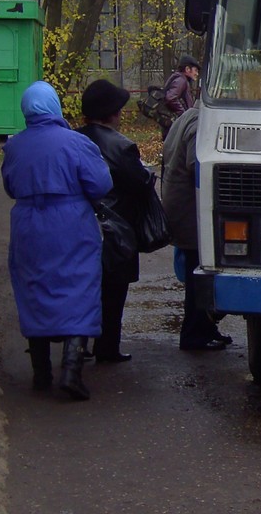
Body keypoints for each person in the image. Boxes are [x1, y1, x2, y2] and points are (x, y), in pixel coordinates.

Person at [1, 81, 113, 400]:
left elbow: (10, 186)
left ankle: (40, 374)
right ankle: (71, 371)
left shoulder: (14, 146)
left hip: (28, 225)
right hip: (71, 224)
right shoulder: (75, 143)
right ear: (54, 106)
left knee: (33, 288)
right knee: (79, 287)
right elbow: (100, 184)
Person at [77, 79, 156, 363]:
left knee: (85, 287)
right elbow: (139, 181)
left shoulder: (76, 139)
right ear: (111, 113)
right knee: (113, 293)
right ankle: (107, 347)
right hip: (116, 229)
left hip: (81, 225)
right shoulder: (121, 146)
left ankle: (80, 344)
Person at [161, 106, 230, 351]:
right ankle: (194, 335)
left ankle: (206, 329)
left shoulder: (188, 116)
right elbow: (196, 163)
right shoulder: (200, 121)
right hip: (192, 212)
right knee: (198, 276)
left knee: (197, 272)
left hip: (183, 209)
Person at [164, 55, 200, 120]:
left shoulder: (180, 79)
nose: (197, 74)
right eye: (195, 70)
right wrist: (183, 115)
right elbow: (171, 97)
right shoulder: (181, 80)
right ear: (187, 69)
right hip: (177, 123)